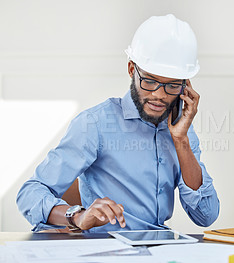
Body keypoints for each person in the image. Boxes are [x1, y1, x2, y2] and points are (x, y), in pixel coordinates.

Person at [16, 14, 220, 233]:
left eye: (171, 85)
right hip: (105, 249)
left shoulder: (182, 132)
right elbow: (30, 193)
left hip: (159, 247)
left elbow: (206, 216)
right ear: (132, 69)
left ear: (185, 86)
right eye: (149, 81)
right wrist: (77, 216)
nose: (159, 95)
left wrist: (181, 141)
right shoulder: (95, 124)